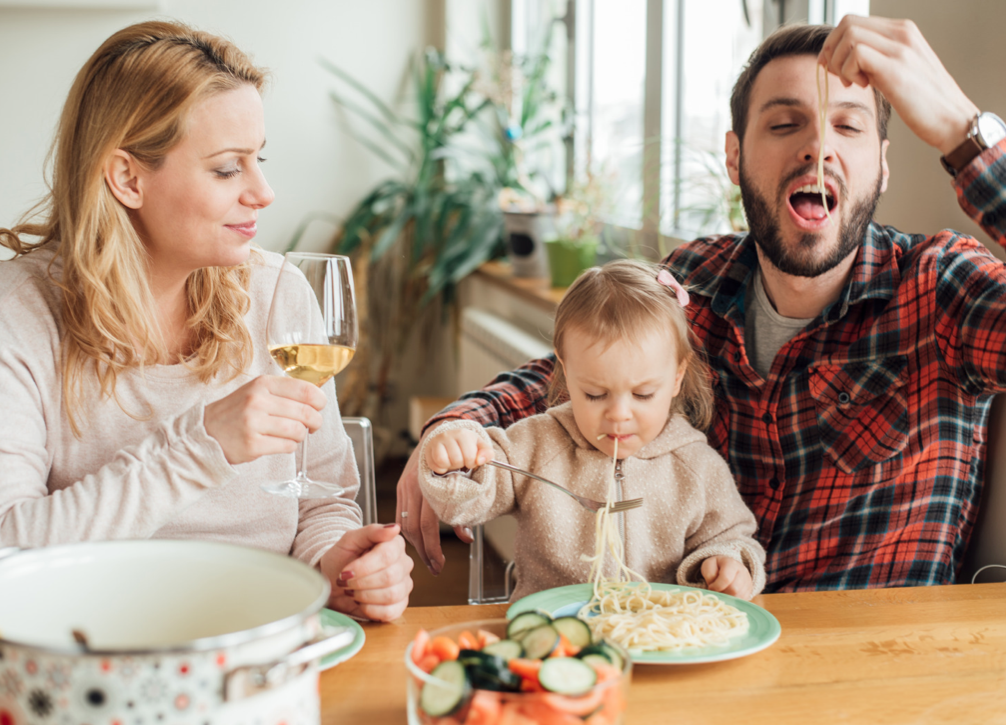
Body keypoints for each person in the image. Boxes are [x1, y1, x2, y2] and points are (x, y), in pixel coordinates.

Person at [398, 16, 1006, 591]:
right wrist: (461, 426)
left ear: (882, 164)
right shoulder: (694, 277)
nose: (819, 148)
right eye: (785, 123)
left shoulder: (942, 286)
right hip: (690, 657)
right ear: (735, 155)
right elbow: (571, 375)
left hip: (863, 680)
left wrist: (964, 133)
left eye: (848, 126)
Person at [0, 21, 413, 621]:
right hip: (87, 640)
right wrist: (201, 446)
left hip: (257, 631)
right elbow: (9, 545)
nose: (264, 192)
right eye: (227, 169)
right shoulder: (20, 311)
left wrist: (338, 563)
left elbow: (322, 502)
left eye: (259, 160)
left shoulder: (279, 296)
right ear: (128, 178)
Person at [419, 260, 766, 601]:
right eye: (595, 394)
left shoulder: (697, 466)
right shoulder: (537, 445)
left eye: (643, 394)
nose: (618, 414)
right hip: (552, 637)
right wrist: (456, 457)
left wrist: (727, 562)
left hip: (657, 637)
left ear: (676, 376)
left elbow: (732, 536)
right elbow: (466, 501)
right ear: (566, 370)